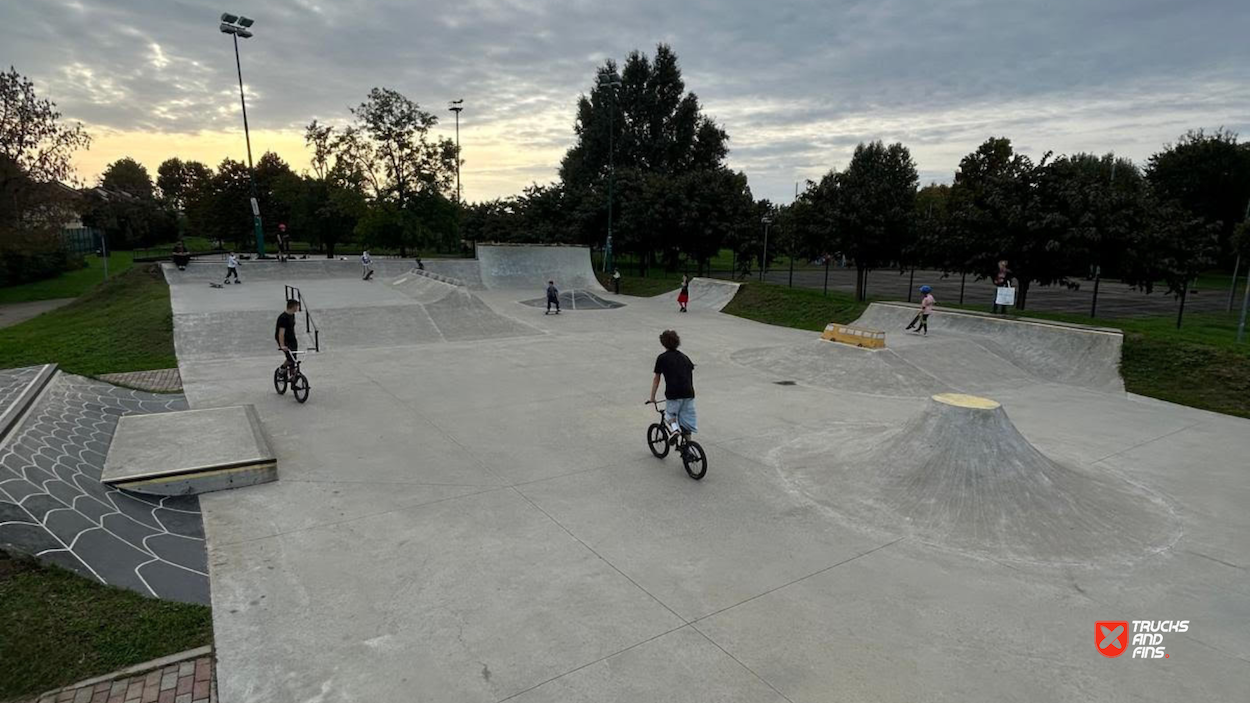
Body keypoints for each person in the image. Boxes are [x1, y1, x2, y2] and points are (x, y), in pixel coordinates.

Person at [649, 329, 697, 441]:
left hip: (673, 394)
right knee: (686, 420)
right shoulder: (685, 357)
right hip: (689, 393)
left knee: (670, 415)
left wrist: (652, 397)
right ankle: (688, 447)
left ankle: (674, 431)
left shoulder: (662, 358)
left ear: (663, 343)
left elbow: (657, 379)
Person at [275, 298, 300, 377]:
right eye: (297, 306)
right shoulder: (283, 318)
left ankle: (293, 376)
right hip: (284, 340)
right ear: (293, 306)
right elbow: (281, 333)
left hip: (292, 338)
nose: (298, 308)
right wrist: (282, 345)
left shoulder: (292, 315)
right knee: (290, 358)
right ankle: (282, 369)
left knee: (294, 357)